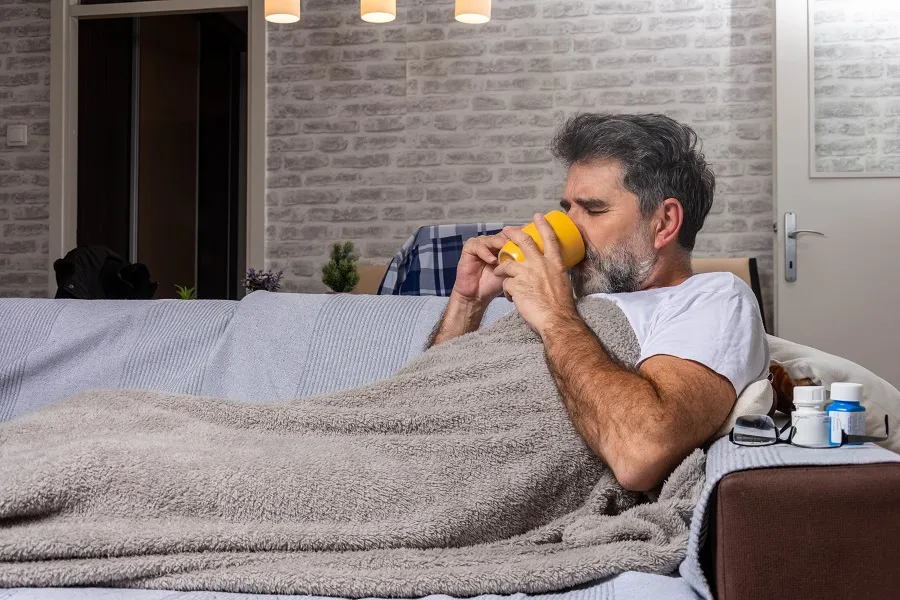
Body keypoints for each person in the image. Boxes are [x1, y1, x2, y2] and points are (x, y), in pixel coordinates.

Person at [428, 113, 769, 492]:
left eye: (593, 210)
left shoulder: (714, 299)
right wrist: (469, 302)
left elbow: (640, 453)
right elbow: (428, 399)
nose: (568, 228)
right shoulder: (567, 299)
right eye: (567, 210)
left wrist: (555, 317)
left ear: (664, 223)